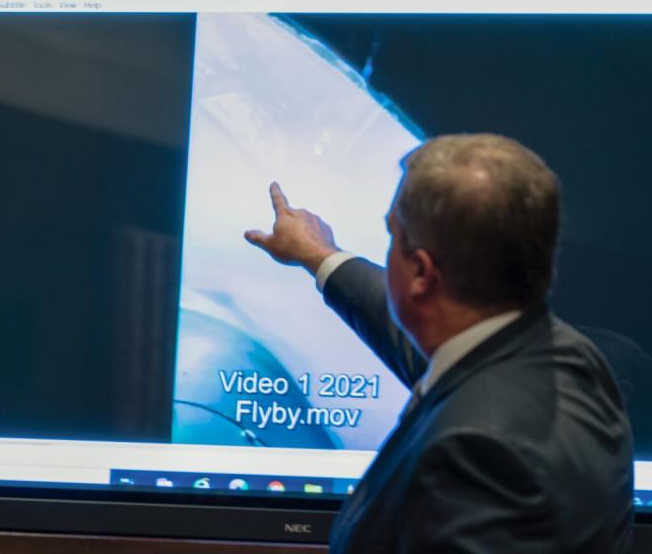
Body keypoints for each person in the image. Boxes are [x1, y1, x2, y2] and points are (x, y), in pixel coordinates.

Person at [244, 134, 633, 553]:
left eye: (392, 237)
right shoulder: (575, 361)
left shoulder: (470, 459)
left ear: (422, 274)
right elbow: (444, 369)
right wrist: (320, 255)